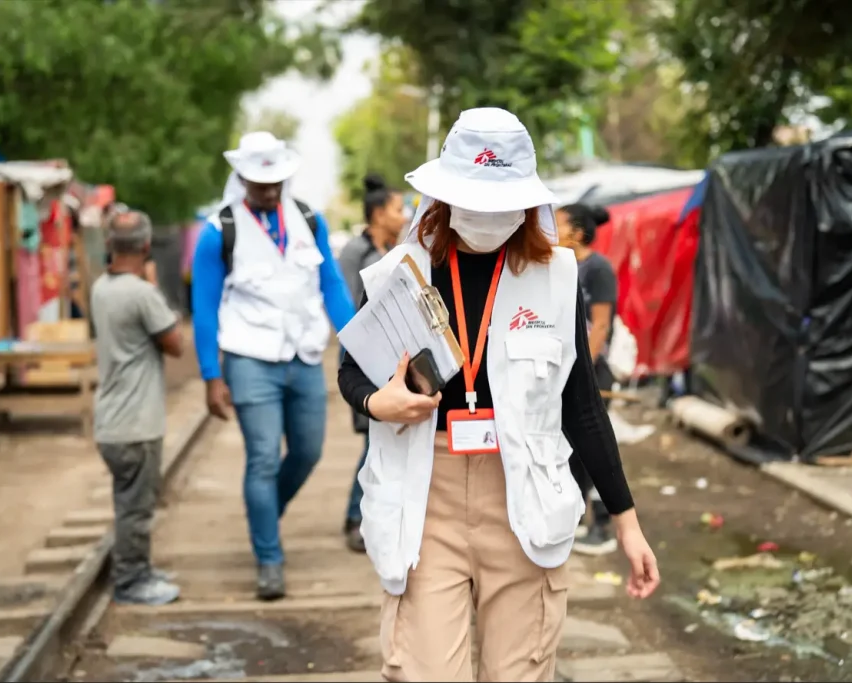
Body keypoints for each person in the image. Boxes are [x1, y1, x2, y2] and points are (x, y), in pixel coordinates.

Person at [338, 108, 659, 681]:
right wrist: (376, 403)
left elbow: (581, 407)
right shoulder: (403, 272)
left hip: (523, 495)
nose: (488, 218)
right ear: (445, 196)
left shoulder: (558, 278)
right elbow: (351, 371)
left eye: (501, 204)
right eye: (474, 202)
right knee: (425, 670)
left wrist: (627, 523)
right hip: (426, 493)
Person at [191, 131, 356, 600]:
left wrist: (357, 342)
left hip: (303, 356)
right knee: (262, 458)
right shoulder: (217, 230)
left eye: (277, 182)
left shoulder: (308, 219)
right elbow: (203, 307)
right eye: (260, 183)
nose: (269, 191)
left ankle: (263, 512)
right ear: (241, 177)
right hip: (249, 359)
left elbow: (331, 287)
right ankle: (269, 558)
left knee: (308, 451)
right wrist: (210, 375)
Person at [91, 209, 185, 605]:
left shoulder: (101, 288)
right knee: (137, 510)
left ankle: (138, 569)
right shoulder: (142, 294)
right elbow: (176, 344)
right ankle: (131, 582)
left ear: (110, 245)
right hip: (137, 424)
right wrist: (154, 287)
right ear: (147, 247)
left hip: (111, 420)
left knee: (126, 502)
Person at [337, 173, 409, 553]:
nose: (405, 215)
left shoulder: (397, 250)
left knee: (388, 436)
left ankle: (376, 513)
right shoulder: (354, 252)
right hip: (364, 356)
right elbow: (348, 307)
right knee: (373, 438)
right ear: (379, 213)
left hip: (396, 355)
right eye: (399, 209)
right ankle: (354, 516)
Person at [556, 203, 619, 556]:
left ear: (578, 233)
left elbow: (601, 326)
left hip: (591, 374)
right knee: (572, 453)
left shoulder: (598, 269)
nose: (552, 230)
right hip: (569, 374)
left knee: (594, 449)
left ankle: (605, 526)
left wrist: (583, 372)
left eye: (560, 224)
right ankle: (579, 519)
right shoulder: (564, 267)